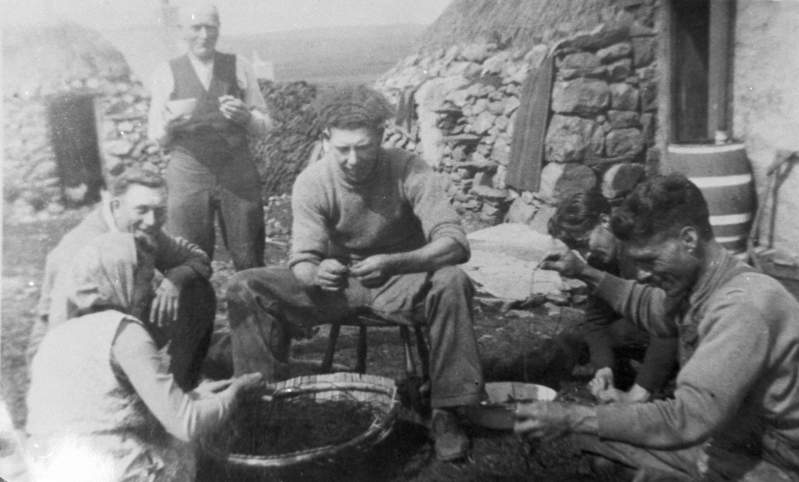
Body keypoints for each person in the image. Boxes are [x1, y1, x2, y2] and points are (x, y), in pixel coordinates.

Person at [225, 85, 484, 461]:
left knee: (452, 281)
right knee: (244, 286)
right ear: (326, 138)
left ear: (380, 135)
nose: (351, 159)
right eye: (341, 148)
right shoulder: (313, 181)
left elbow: (456, 244)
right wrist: (315, 273)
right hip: (338, 287)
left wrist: (396, 262)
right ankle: (260, 404)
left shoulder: (409, 169)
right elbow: (302, 260)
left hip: (399, 280)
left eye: (362, 147)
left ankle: (448, 412)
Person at [515, 174, 799, 481]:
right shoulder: (702, 285)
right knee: (602, 436)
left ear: (688, 240)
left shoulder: (743, 306)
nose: (642, 273)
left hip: (778, 456)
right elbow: (647, 304)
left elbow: (688, 417)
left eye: (650, 260)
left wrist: (572, 417)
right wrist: (584, 271)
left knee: (603, 433)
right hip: (733, 436)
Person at [25, 232, 262, 482]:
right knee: (190, 446)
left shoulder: (57, 336)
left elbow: (104, 411)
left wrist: (196, 396)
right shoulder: (124, 332)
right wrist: (233, 393)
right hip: (108, 471)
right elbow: (186, 425)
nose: (150, 293)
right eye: (146, 280)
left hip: (51, 469)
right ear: (121, 278)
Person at [30, 167, 214, 390]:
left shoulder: (143, 228)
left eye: (160, 211)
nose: (152, 221)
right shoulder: (79, 250)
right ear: (117, 206)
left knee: (197, 291)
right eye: (142, 210)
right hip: (67, 346)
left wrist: (174, 278)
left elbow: (198, 259)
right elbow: (59, 333)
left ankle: (179, 390)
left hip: (120, 327)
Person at [147, 1, 273, 270]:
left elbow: (265, 125)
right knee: (185, 256)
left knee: (249, 255)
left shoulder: (239, 65)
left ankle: (251, 309)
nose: (204, 35)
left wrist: (247, 118)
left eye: (210, 27)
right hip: (188, 172)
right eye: (196, 27)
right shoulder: (166, 71)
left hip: (237, 171)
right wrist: (168, 126)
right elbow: (156, 136)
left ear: (219, 29)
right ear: (182, 31)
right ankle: (193, 311)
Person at [547, 190, 678, 404]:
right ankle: (514, 371)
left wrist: (640, 392)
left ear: (604, 220)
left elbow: (668, 325)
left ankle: (655, 379)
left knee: (620, 331)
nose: (586, 254)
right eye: (577, 248)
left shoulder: (643, 249)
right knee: (574, 336)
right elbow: (595, 321)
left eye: (585, 241)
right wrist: (603, 368)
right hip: (645, 329)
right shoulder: (601, 259)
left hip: (682, 330)